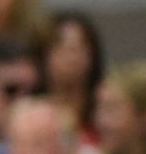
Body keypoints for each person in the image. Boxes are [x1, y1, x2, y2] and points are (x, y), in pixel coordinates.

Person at [41, 13, 103, 142]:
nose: (71, 56)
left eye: (79, 47)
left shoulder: (104, 110)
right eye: (62, 47)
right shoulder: (29, 112)